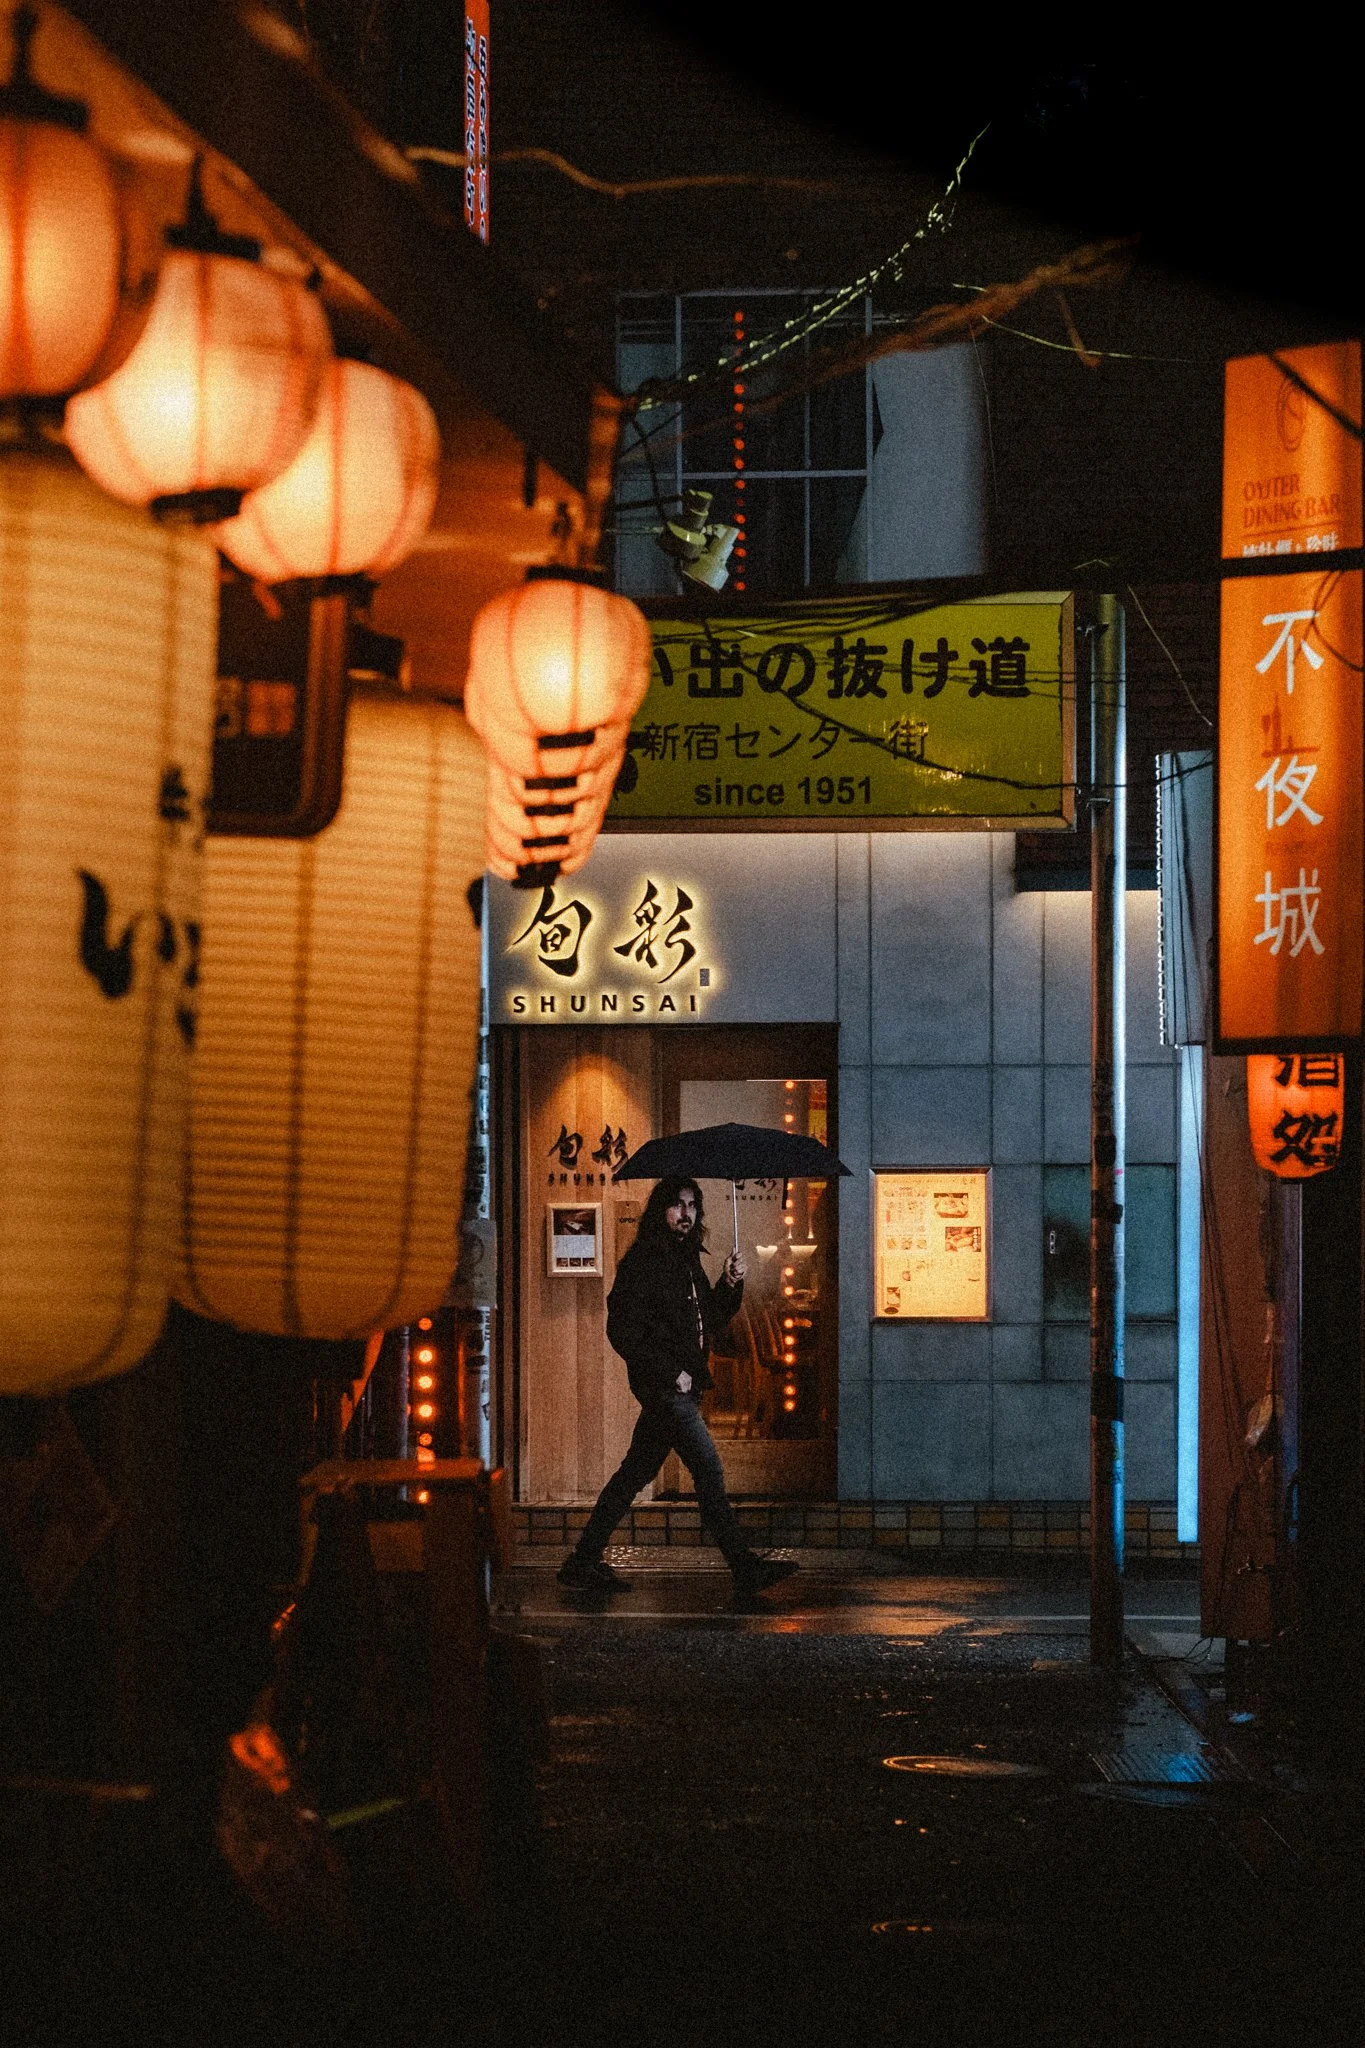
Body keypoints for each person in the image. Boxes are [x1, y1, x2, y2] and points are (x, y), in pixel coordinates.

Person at [558, 1175, 800, 1600]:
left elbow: (710, 1319)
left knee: (634, 1473)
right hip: (667, 1392)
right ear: (660, 1212)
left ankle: (582, 1560)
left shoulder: (686, 1259)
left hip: (677, 1391)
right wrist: (671, 1372)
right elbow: (623, 1330)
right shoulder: (644, 1262)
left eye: (692, 1206)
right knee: (708, 1470)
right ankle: (744, 1567)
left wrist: (729, 1281)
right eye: (677, 1206)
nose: (686, 1214)